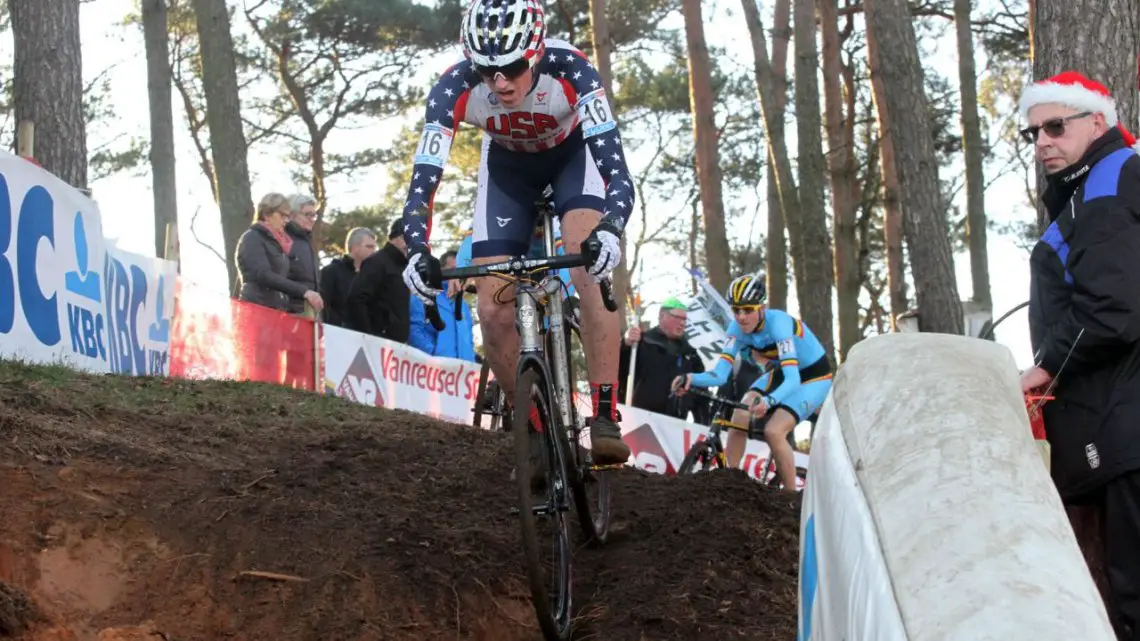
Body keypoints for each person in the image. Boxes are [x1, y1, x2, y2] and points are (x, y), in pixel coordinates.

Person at [397, 0, 636, 470]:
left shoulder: (572, 69)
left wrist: (611, 228)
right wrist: (417, 248)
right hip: (508, 171)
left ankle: (606, 414)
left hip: (573, 160)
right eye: (487, 71)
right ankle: (533, 432)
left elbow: (618, 174)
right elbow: (424, 177)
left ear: (537, 51)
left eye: (512, 67)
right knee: (491, 307)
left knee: (585, 261)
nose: (500, 82)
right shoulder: (453, 86)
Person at [1016, 70, 1140, 640]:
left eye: (1055, 127)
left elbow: (1113, 308)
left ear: (1099, 122)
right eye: (1033, 132)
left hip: (1125, 432)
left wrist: (1042, 370)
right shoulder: (1097, 185)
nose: (1042, 141)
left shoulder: (1109, 184)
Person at [673, 272, 832, 490]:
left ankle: (789, 497)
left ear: (762, 308)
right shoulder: (735, 330)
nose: (741, 317)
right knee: (740, 412)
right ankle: (732, 480)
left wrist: (769, 401)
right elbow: (720, 374)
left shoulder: (779, 324)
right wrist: (690, 378)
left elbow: (793, 378)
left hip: (814, 377)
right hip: (782, 372)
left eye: (747, 310)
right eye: (736, 310)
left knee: (773, 431)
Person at [617, 298, 709, 423]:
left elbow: (701, 397)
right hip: (637, 421)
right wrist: (626, 345)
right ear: (661, 316)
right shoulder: (641, 342)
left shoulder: (690, 354)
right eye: (677, 317)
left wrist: (703, 428)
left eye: (684, 319)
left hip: (673, 426)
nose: (682, 323)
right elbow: (616, 370)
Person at [347, 219, 411, 343]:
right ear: (397, 237)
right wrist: (370, 335)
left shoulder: (405, 266)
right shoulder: (377, 262)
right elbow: (356, 299)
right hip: (380, 341)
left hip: (399, 344)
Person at [409, 250, 477, 361]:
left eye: (461, 269)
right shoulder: (422, 297)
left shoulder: (464, 306)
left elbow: (469, 338)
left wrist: (471, 359)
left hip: (464, 370)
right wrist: (434, 354)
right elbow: (414, 330)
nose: (458, 274)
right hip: (435, 369)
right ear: (441, 270)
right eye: (453, 269)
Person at [320, 227, 378, 327]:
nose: (374, 251)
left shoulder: (373, 277)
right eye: (369, 247)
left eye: (374, 248)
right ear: (354, 247)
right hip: (336, 335)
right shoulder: (331, 272)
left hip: (367, 338)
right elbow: (323, 308)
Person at [283, 194, 321, 318]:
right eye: (307, 214)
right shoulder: (283, 240)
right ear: (291, 214)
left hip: (308, 312)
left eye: (313, 215)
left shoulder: (306, 242)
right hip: (288, 313)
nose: (312, 219)